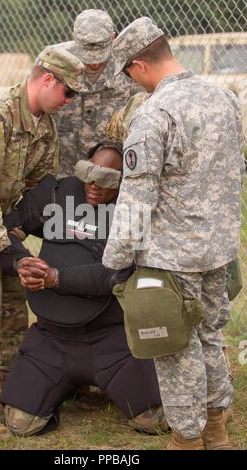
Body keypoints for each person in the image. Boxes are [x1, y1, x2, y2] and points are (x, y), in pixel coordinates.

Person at [102, 17, 245, 450]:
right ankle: (217, 426)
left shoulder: (153, 114)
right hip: (219, 249)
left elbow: (135, 199)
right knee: (209, 336)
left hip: (170, 259)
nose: (131, 84)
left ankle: (186, 438)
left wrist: (116, 261)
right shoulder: (225, 98)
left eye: (128, 74)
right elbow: (236, 172)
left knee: (174, 348)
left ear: (139, 64)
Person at [0, 45, 88, 444]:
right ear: (47, 80)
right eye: (68, 93)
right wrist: (12, 251)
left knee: (11, 308)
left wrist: (22, 238)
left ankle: (9, 391)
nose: (70, 102)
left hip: (1, 229)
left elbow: (37, 190)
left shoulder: (45, 126)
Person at [0, 142, 168, 437]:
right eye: (89, 176)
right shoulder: (57, 193)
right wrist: (21, 260)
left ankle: (97, 384)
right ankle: (67, 385)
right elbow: (5, 230)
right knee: (20, 424)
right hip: (51, 340)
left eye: (106, 181)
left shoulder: (133, 209)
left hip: (111, 342)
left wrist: (54, 278)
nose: (94, 187)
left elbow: (118, 275)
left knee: (154, 421)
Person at [54, 9, 138, 177]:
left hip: (111, 178)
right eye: (87, 54)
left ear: (113, 38)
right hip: (64, 173)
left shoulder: (130, 66)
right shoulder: (55, 62)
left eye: (100, 54)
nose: (93, 64)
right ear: (73, 37)